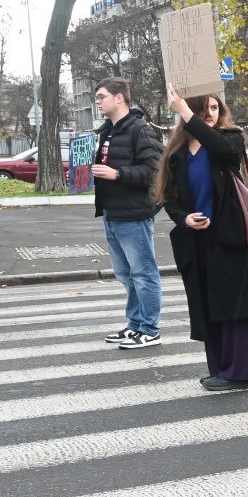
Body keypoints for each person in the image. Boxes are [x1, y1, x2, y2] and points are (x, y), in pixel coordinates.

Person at [157, 86, 248, 391]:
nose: (210, 115)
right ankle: (220, 369)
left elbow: (223, 151)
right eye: (203, 109)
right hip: (197, 239)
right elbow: (168, 195)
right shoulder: (178, 151)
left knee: (234, 307)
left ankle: (241, 372)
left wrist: (186, 114)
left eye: (215, 109)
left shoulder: (230, 138)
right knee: (207, 306)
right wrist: (184, 218)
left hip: (230, 237)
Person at [91, 77, 165, 349]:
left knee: (143, 273)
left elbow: (155, 171)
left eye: (101, 96)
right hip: (113, 212)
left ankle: (149, 329)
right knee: (126, 274)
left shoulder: (139, 129)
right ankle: (135, 325)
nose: (98, 102)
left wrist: (117, 173)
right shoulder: (108, 130)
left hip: (134, 214)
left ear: (118, 97)